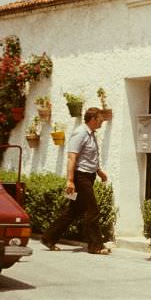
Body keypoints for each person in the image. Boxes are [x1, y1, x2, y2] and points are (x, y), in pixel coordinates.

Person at [42, 107, 110, 254]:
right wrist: (70, 181)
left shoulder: (91, 134)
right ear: (92, 119)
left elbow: (89, 157)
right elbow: (72, 157)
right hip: (80, 178)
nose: (102, 121)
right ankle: (95, 246)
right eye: (100, 119)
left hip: (88, 176)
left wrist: (99, 171)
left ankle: (49, 237)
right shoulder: (80, 133)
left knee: (74, 211)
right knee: (93, 210)